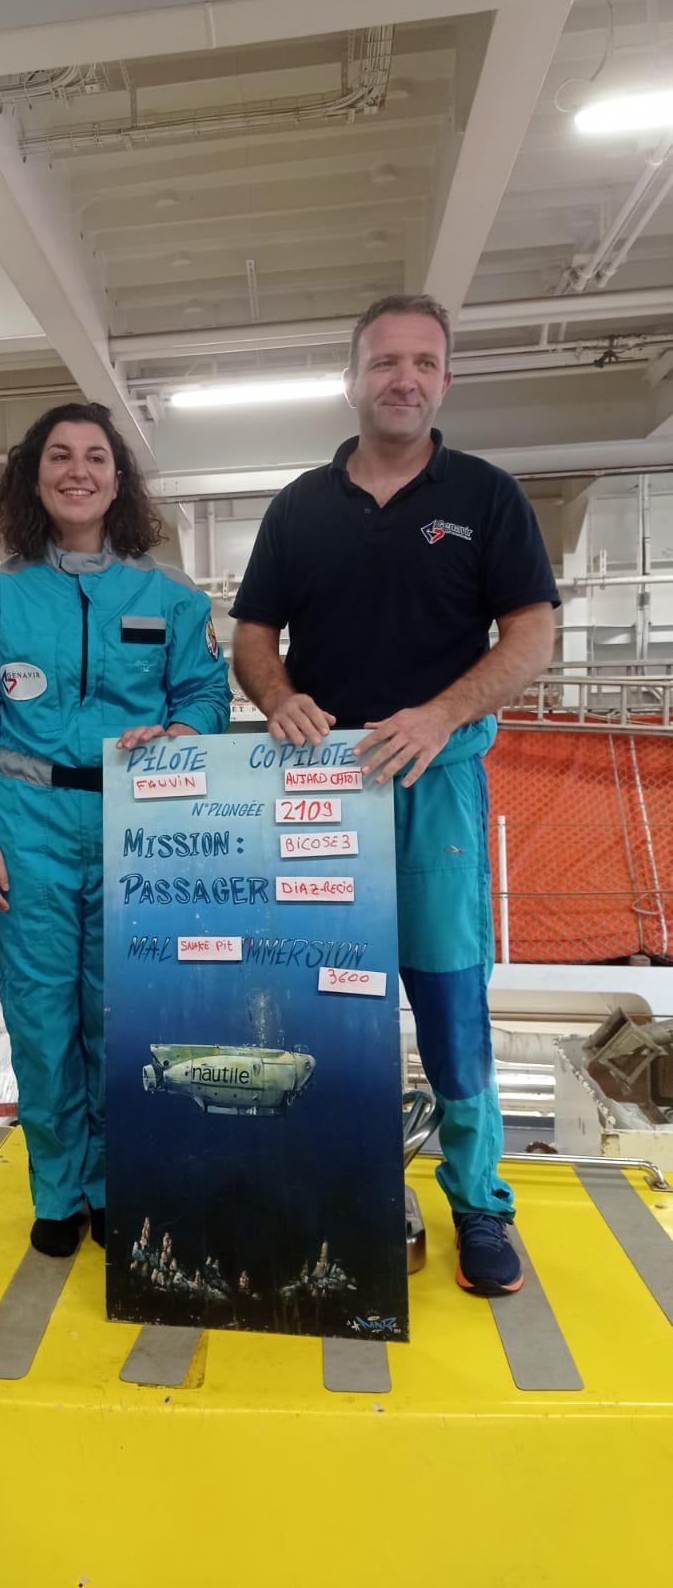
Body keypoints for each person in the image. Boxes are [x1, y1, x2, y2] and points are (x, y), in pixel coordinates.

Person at [231, 294, 558, 1298]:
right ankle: (338, 1191)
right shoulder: (298, 507)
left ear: (445, 380)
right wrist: (279, 697)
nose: (402, 378)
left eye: (422, 362)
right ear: (352, 380)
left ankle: (478, 1201)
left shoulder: (486, 497)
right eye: (383, 361)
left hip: (433, 783)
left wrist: (441, 714)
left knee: (450, 1005)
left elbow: (531, 633)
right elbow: (252, 637)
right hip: (322, 791)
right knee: (323, 1010)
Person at [0, 402, 232, 1257]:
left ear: (118, 477)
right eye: (60, 456)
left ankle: (115, 1184)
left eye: (96, 457)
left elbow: (206, 694)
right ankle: (59, 1189)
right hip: (26, 827)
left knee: (121, 1015)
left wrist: (182, 734)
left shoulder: (170, 596)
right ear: (33, 478)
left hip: (140, 827)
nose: (78, 471)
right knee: (40, 1018)